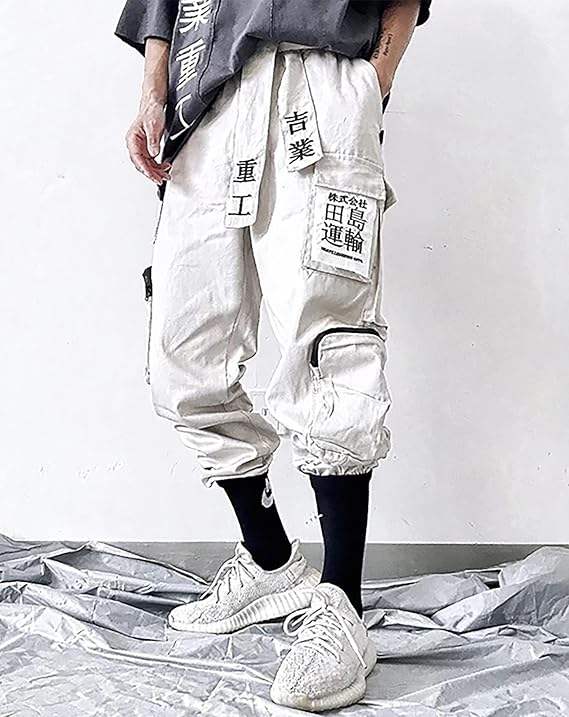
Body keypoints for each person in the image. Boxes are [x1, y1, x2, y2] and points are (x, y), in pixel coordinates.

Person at [116, 0, 431, 710]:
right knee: (181, 354)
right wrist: (154, 91)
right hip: (208, 98)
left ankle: (342, 608)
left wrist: (372, 81)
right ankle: (269, 561)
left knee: (328, 347)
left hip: (318, 85)